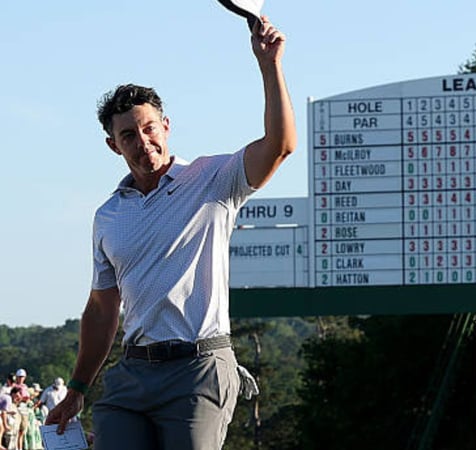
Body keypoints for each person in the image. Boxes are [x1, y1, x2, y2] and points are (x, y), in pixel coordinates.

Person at [45, 14, 296, 450]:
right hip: (133, 374)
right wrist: (79, 387)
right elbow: (103, 310)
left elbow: (280, 146)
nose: (143, 142)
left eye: (149, 128)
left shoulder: (213, 180)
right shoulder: (108, 216)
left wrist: (269, 65)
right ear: (113, 145)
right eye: (128, 135)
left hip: (199, 367)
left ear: (166, 126)